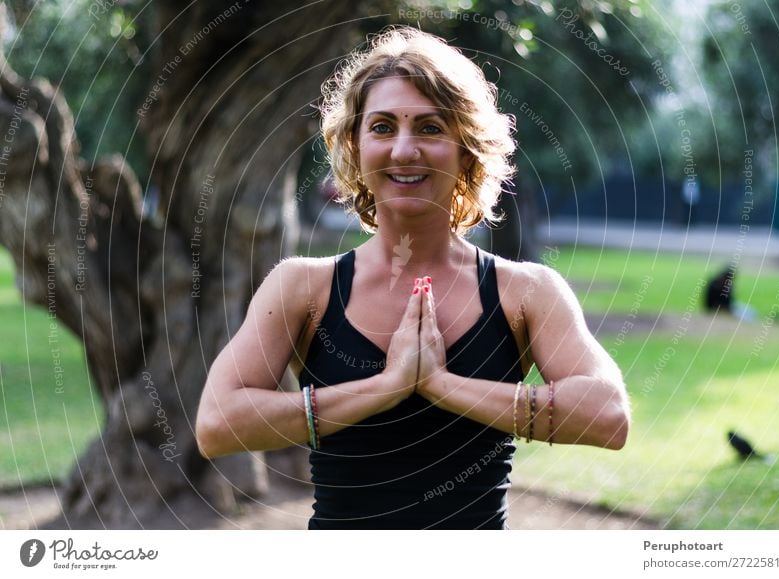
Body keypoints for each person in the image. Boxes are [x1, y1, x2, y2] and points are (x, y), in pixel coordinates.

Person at [195, 27, 630, 530]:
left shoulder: (525, 293)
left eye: (429, 128)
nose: (404, 150)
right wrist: (384, 387)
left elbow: (608, 416)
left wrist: (442, 385)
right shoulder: (302, 289)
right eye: (382, 127)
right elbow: (216, 423)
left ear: (466, 149)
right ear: (354, 149)